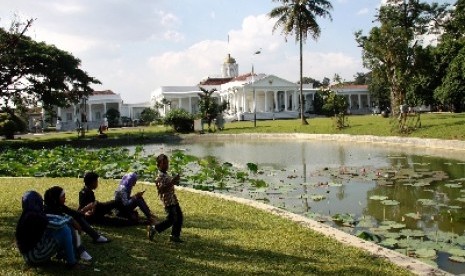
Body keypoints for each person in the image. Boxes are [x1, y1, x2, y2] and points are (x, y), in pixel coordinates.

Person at [15, 191, 82, 269]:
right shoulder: (33, 217)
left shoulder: (27, 214)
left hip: (29, 255)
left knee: (55, 230)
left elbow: (49, 217)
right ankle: (72, 263)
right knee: (65, 230)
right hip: (34, 256)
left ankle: (65, 254)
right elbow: (57, 224)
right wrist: (70, 220)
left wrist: (69, 218)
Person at [44, 186, 109, 247]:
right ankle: (80, 249)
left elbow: (74, 213)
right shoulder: (51, 210)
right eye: (63, 197)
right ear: (56, 199)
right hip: (57, 232)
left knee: (78, 218)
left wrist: (85, 211)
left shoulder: (60, 206)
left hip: (65, 226)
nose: (65, 198)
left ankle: (96, 237)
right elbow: (65, 219)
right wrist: (85, 209)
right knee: (74, 222)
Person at [148, 154, 184, 243]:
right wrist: (172, 182)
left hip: (173, 199)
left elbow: (170, 185)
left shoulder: (165, 174)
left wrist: (175, 181)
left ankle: (175, 236)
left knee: (179, 217)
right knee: (171, 219)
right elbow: (161, 190)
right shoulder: (159, 176)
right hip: (167, 201)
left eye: (167, 163)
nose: (166, 165)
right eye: (164, 163)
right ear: (158, 165)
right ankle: (154, 228)